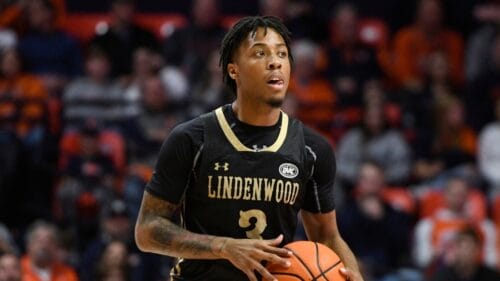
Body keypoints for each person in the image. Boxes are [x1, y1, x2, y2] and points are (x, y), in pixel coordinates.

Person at [135, 16, 363, 281]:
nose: (275, 61)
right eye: (260, 53)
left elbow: (326, 236)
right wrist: (224, 247)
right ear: (234, 70)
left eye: (282, 54)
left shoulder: (312, 149)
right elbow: (147, 230)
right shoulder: (191, 139)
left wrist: (353, 272)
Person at [430, 227, 500, 281]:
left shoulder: (491, 277)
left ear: (478, 250)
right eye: (462, 247)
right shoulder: (442, 277)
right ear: (455, 250)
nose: (465, 253)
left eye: (469, 247)